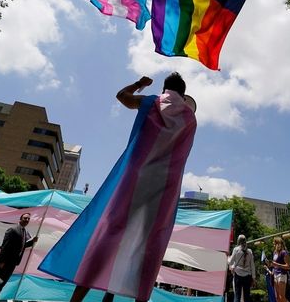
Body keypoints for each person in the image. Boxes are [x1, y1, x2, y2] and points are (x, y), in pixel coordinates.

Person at [39, 73, 197, 302]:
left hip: (134, 178)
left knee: (109, 234)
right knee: (149, 241)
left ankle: (77, 298)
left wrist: (140, 85)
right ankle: (138, 298)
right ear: (183, 94)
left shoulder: (151, 102)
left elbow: (122, 96)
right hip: (164, 187)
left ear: (165, 89)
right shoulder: (190, 119)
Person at [0, 212, 38, 289]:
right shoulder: (13, 229)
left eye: (28, 219)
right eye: (25, 218)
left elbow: (22, 246)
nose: (27, 220)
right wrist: (1, 261)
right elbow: (5, 246)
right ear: (20, 219)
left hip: (13, 262)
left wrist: (32, 242)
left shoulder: (25, 232)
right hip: (5, 262)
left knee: (2, 282)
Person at [229, 235, 256, 302]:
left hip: (238, 275)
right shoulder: (250, 251)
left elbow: (230, 262)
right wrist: (254, 277)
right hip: (247, 276)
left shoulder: (236, 249)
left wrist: (228, 258)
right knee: (247, 296)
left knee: (237, 295)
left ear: (238, 241)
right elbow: (252, 265)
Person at [270, 237, 290, 302]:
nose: (273, 245)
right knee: (277, 298)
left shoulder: (284, 252)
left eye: (274, 244)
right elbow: (274, 264)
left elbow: (288, 266)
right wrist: (270, 264)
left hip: (282, 275)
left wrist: (277, 264)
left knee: (282, 297)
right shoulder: (275, 252)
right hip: (275, 275)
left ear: (278, 244)